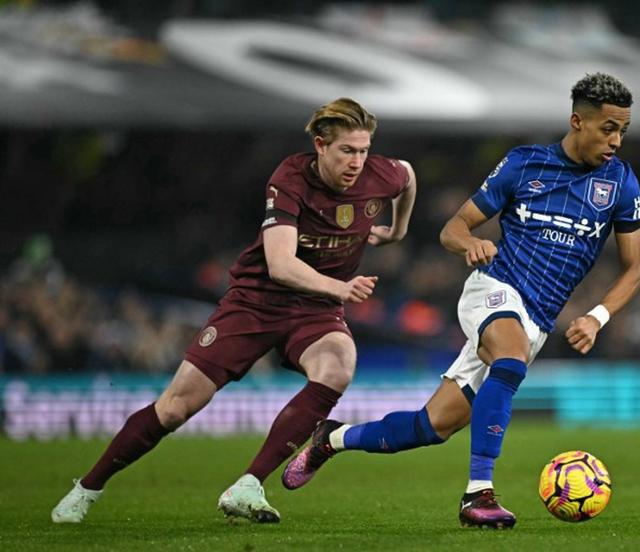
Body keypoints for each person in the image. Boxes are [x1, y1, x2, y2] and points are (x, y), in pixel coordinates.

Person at [281, 73, 640, 529]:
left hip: (537, 319)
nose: (616, 140)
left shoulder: (620, 183)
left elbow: (635, 267)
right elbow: (452, 227)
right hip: (494, 290)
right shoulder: (524, 164)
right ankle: (479, 495)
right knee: (509, 360)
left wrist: (597, 316)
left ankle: (331, 440)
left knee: (431, 426)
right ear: (577, 121)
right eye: (608, 128)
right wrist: (468, 244)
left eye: (622, 131)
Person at [50, 98, 417, 523]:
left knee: (337, 365)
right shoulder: (291, 178)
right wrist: (341, 287)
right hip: (256, 301)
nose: (357, 161)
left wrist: (397, 231)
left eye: (363, 150)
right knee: (174, 408)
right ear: (320, 145)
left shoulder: (380, 173)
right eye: (346, 151)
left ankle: (248, 485)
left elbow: (407, 175)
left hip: (315, 307)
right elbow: (281, 266)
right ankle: (87, 488)